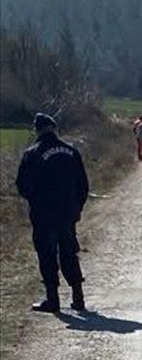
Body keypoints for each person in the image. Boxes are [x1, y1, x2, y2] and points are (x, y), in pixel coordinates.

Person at [14, 113, 90, 313]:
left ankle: (52, 300)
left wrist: (35, 199)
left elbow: (22, 186)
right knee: (69, 252)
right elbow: (83, 185)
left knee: (47, 254)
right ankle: (78, 297)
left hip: (43, 214)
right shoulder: (72, 152)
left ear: (37, 129)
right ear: (54, 128)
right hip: (67, 213)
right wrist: (77, 208)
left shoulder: (32, 153)